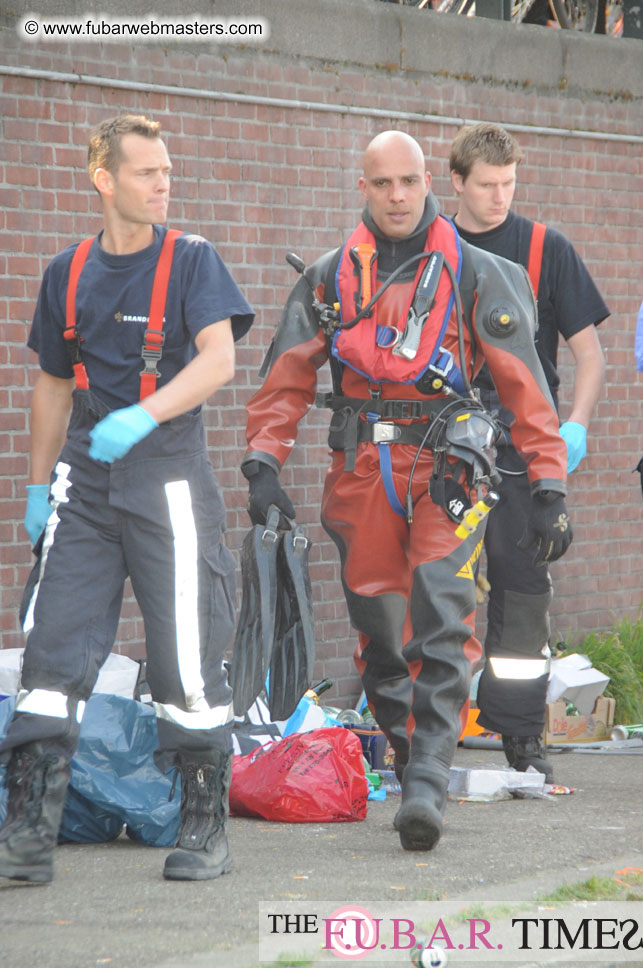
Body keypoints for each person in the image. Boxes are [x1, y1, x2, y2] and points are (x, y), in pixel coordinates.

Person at [240, 130, 571, 852]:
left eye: (407, 182)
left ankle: (426, 781)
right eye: (381, 183)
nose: (396, 196)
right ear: (362, 187)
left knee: (443, 610)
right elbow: (285, 379)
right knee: (380, 629)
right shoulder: (328, 278)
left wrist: (547, 481)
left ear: (428, 182)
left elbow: (525, 386)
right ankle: (400, 747)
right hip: (361, 467)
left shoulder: (481, 272)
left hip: (448, 468)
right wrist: (262, 463)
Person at [0, 114, 253, 884]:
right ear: (104, 180)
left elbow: (219, 360)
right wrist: (41, 485)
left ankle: (204, 827)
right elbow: (49, 385)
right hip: (84, 481)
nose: (163, 183)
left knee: (185, 659)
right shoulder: (67, 272)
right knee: (51, 652)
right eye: (147, 172)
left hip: (167, 475)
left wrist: (145, 413)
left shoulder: (192, 262)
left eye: (166, 170)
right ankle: (28, 835)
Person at [449, 122, 608, 780]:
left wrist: (573, 425)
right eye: (486, 185)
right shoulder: (431, 249)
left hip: (520, 445)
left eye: (509, 184)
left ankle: (517, 737)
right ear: (455, 181)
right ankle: (422, 733)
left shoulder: (545, 248)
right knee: (432, 588)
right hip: (445, 447)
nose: (499, 198)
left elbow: (588, 355)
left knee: (522, 590)